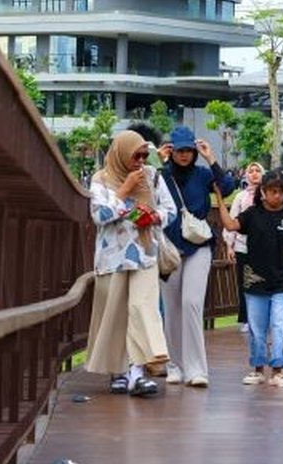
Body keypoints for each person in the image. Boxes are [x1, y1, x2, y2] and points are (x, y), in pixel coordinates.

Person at [85, 130, 176, 398]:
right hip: (112, 257)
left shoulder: (152, 176)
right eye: (136, 155)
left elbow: (169, 210)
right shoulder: (100, 179)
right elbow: (99, 215)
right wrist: (124, 190)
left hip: (145, 253)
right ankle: (119, 372)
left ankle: (138, 373)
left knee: (142, 308)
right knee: (115, 314)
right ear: (122, 153)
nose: (140, 161)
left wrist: (153, 216)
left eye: (144, 155)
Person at [157, 126, 236, 388]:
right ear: (172, 150)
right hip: (170, 247)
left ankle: (196, 368)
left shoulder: (203, 174)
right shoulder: (163, 174)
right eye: (180, 150)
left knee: (191, 303)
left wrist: (210, 157)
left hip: (199, 245)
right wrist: (161, 163)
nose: (184, 155)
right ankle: (174, 365)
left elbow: (226, 187)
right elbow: (152, 193)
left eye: (188, 150)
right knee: (171, 307)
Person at [220, 170, 283, 388]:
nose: (277, 196)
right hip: (254, 281)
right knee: (256, 327)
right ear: (263, 192)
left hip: (281, 281)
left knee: (279, 324)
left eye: (281, 191)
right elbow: (230, 225)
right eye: (272, 191)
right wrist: (220, 200)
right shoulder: (251, 214)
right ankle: (257, 368)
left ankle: (278, 369)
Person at [226, 162, 265, 331]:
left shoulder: (267, 195)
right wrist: (229, 246)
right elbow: (232, 220)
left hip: (263, 246)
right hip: (242, 246)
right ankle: (246, 319)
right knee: (244, 282)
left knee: (261, 281)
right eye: (251, 171)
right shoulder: (240, 197)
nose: (254, 174)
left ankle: (262, 318)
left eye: (258, 171)